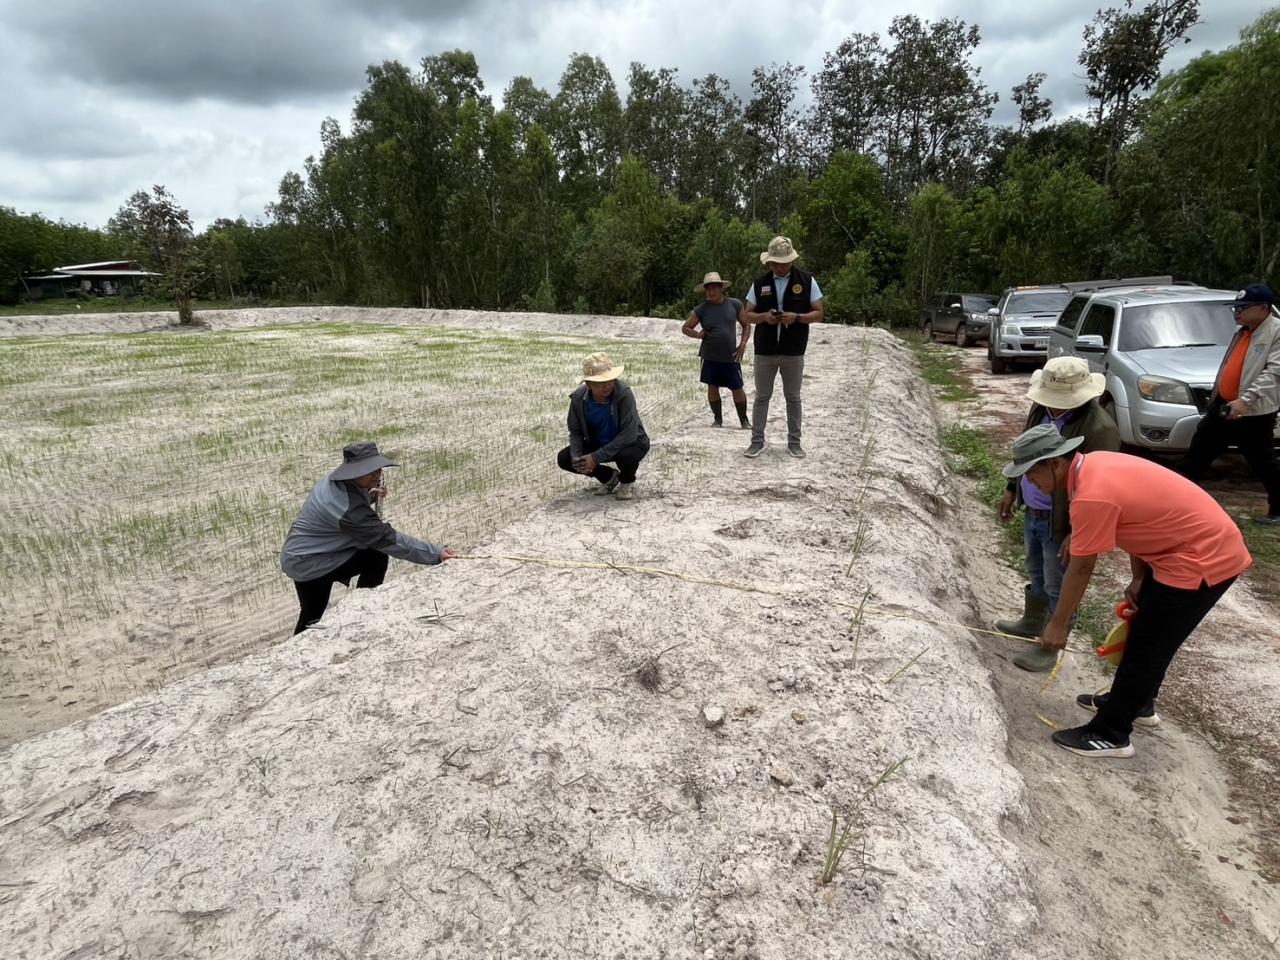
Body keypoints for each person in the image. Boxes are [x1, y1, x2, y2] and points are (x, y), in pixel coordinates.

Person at [1003, 424, 1251, 758]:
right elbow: (1140, 520)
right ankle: (1138, 703)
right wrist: (1139, 578)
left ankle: (1111, 733)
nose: (1029, 483)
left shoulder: (1091, 494)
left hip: (1201, 559)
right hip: (1184, 550)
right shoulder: (1094, 464)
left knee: (1148, 646)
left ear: (1054, 463)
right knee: (1148, 634)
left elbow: (1082, 567)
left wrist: (1058, 624)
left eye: (1031, 474)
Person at [996, 357, 1120, 671]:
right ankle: (1032, 621)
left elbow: (1101, 487)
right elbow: (1025, 455)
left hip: (1063, 519)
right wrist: (1013, 488)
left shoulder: (1100, 428)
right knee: (1036, 569)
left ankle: (1051, 642)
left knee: (1059, 582)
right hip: (1035, 510)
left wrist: (1076, 532)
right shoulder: (1040, 409)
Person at [281, 441, 456, 634]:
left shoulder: (334, 481)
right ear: (353, 472)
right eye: (370, 471)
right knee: (312, 616)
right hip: (308, 562)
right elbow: (387, 539)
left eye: (378, 468)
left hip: (308, 552)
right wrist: (435, 554)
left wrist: (369, 496)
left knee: (372, 558)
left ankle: (361, 607)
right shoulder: (349, 511)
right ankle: (359, 612)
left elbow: (350, 507)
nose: (378, 475)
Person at [1179, 283, 1280, 525]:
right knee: (1199, 450)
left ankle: (1278, 509)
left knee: (1262, 460)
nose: (1237, 311)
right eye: (1235, 307)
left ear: (1264, 308)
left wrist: (1246, 400)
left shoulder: (1276, 332)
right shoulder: (1243, 331)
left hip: (1252, 410)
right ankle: (1176, 499)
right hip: (1225, 404)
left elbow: (1275, 372)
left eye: (1243, 307)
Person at [742, 236, 824, 459]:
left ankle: (794, 443)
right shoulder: (759, 283)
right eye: (776, 263)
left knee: (793, 397)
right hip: (765, 351)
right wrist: (764, 317)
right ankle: (757, 441)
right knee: (762, 397)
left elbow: (818, 312)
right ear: (769, 262)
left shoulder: (807, 281)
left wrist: (796, 317)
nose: (780, 267)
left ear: (791, 260)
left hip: (793, 350)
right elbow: (746, 314)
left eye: (784, 263)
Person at [557, 352, 650, 501]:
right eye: (600, 383)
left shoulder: (624, 394)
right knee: (565, 458)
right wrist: (577, 458)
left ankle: (626, 481)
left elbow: (629, 434)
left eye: (610, 380)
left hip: (630, 442)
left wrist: (595, 457)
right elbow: (575, 431)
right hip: (599, 442)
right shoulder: (578, 399)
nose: (607, 386)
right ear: (588, 384)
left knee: (627, 456)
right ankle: (609, 478)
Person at [681, 271, 751, 428]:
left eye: (714, 288)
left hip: (731, 355)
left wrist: (743, 343)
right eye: (708, 289)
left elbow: (746, 324)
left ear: (721, 288)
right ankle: (718, 419)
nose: (711, 291)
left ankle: (744, 420)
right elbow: (685, 327)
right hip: (709, 355)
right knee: (712, 386)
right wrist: (698, 334)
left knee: (737, 387)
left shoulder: (735, 304)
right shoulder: (701, 309)